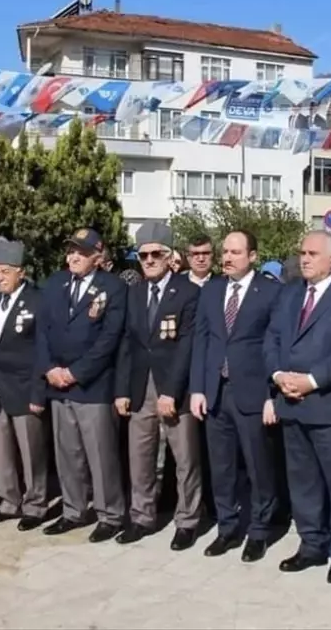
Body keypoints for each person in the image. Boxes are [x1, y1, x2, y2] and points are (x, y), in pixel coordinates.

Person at [264, 230, 331, 584]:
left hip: (330, 406)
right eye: (302, 252)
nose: (304, 259)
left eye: (312, 253)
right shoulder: (289, 294)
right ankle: (312, 545)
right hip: (292, 404)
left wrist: (310, 380)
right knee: (303, 482)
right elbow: (273, 338)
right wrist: (278, 375)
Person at [190, 230, 283, 562]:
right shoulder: (213, 289)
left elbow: (277, 345)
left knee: (259, 467)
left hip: (254, 393)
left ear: (253, 256)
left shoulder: (271, 292)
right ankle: (227, 528)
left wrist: (274, 395)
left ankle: (259, 530)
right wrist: (198, 388)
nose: (227, 258)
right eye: (224, 251)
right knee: (222, 467)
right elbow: (202, 340)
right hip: (216, 393)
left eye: (235, 252)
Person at [114, 221, 203, 548]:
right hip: (140, 388)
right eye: (143, 255)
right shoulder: (133, 292)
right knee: (141, 457)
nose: (149, 260)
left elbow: (187, 345)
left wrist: (172, 391)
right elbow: (127, 343)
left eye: (155, 254)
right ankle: (141, 516)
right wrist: (122, 389)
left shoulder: (189, 292)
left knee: (185, 459)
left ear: (170, 257)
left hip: (174, 390)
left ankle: (187, 520)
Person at [36, 228, 128, 542]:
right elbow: (42, 331)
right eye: (71, 250)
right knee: (67, 453)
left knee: (100, 455)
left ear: (97, 256)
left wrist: (76, 372)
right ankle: (73, 510)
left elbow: (109, 339)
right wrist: (49, 368)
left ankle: (110, 514)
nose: (74, 257)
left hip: (93, 385)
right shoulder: (55, 283)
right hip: (58, 384)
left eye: (82, 252)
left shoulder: (113, 288)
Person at [0, 241, 45, 530]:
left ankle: (35, 504)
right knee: (2, 449)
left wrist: (38, 392)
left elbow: (43, 351)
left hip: (26, 388)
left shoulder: (37, 301)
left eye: (5, 272)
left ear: (21, 272)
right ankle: (9, 499)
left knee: (31, 451)